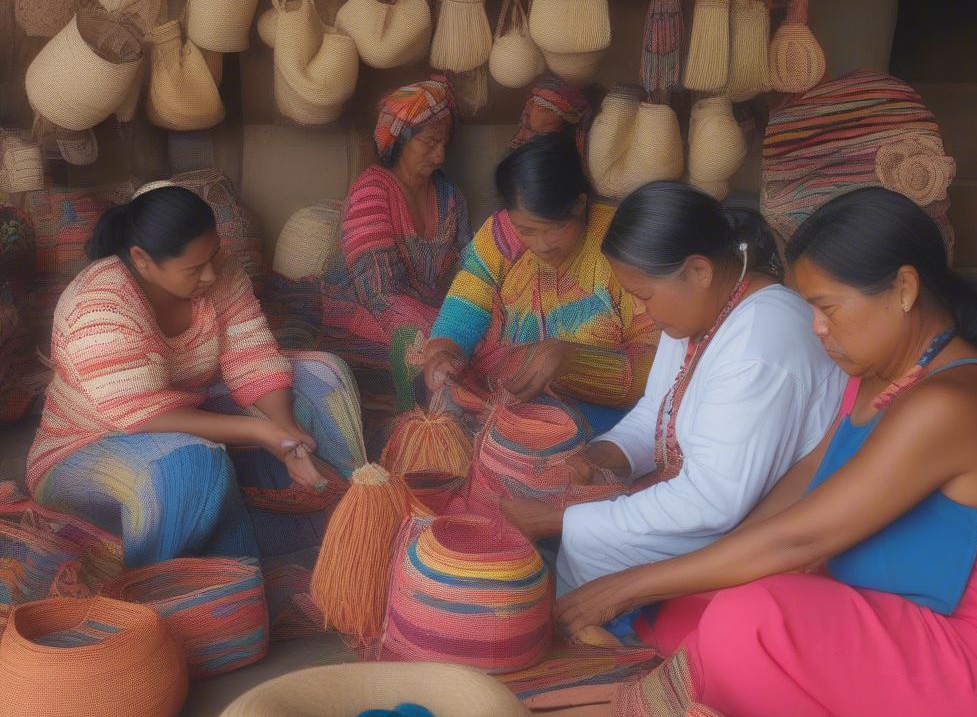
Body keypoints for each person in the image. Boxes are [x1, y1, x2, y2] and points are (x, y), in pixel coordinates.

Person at [557, 188, 977, 717]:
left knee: (749, 620)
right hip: (901, 612)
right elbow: (807, 479)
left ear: (905, 289)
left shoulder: (955, 401)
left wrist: (628, 582)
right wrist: (699, 576)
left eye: (826, 308)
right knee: (691, 616)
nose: (817, 329)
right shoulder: (882, 376)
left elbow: (805, 534)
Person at [500, 181, 844, 591]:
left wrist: (560, 519)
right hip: (717, 504)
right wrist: (601, 458)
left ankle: (603, 638)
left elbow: (712, 501)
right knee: (586, 536)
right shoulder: (701, 310)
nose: (644, 313)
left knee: (592, 546)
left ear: (699, 271)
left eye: (644, 296)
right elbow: (654, 413)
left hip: (760, 528)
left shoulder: (760, 344)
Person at [27, 186, 364, 568]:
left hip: (183, 422)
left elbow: (253, 357)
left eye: (214, 255)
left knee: (323, 374)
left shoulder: (220, 274)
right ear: (142, 260)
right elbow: (146, 418)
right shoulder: (99, 305)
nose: (210, 274)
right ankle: (157, 589)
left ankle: (352, 511)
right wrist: (260, 432)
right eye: (193, 268)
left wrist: (287, 437)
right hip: (87, 448)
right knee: (195, 463)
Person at [422, 134, 658, 436]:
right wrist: (445, 352)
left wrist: (572, 360)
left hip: (601, 410)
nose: (542, 245)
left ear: (580, 205)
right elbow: (467, 303)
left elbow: (657, 369)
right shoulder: (502, 234)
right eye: (527, 230)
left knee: (535, 438)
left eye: (555, 228)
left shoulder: (620, 243)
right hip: (506, 392)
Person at [318, 76, 470, 374]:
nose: (439, 155)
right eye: (429, 142)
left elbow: (469, 271)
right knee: (461, 358)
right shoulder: (372, 191)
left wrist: (472, 317)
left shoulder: (450, 196)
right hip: (367, 319)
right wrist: (450, 335)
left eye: (444, 143)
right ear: (400, 140)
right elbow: (380, 295)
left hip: (429, 320)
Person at [507, 75, 593, 159]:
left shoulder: (563, 146)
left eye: (546, 109)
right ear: (531, 103)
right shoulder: (523, 141)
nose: (530, 111)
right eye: (542, 108)